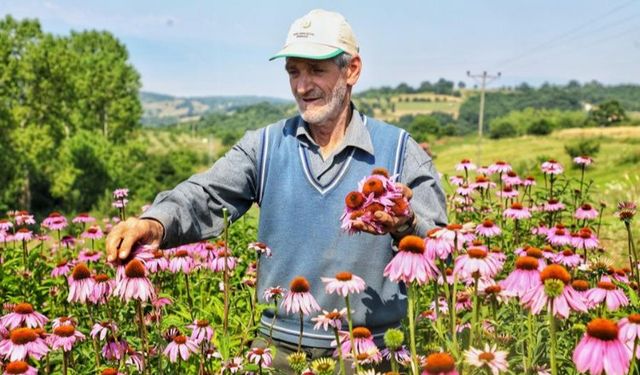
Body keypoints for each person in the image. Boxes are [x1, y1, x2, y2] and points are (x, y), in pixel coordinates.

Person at [106, 8, 447, 372]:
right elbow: (205, 194)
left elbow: (443, 246)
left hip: (368, 352)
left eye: (316, 70)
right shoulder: (266, 146)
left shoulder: (398, 150)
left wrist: (405, 225)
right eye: (293, 71)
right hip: (277, 350)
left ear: (352, 70)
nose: (302, 86)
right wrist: (154, 223)